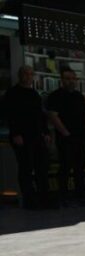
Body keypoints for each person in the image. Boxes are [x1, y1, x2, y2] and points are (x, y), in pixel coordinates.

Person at [3, 65, 51, 209]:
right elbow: (10, 116)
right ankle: (30, 200)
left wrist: (46, 132)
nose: (28, 77)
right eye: (26, 74)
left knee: (41, 166)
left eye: (31, 74)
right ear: (20, 75)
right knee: (26, 167)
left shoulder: (34, 94)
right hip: (22, 136)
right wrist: (16, 133)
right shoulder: (12, 94)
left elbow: (40, 116)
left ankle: (44, 198)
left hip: (36, 136)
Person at [47, 67, 85, 206]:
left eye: (73, 79)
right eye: (67, 79)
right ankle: (63, 196)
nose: (70, 81)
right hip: (66, 136)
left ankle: (80, 195)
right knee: (65, 166)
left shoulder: (79, 96)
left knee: (80, 166)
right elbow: (53, 116)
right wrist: (65, 133)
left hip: (81, 135)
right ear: (62, 80)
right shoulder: (55, 96)